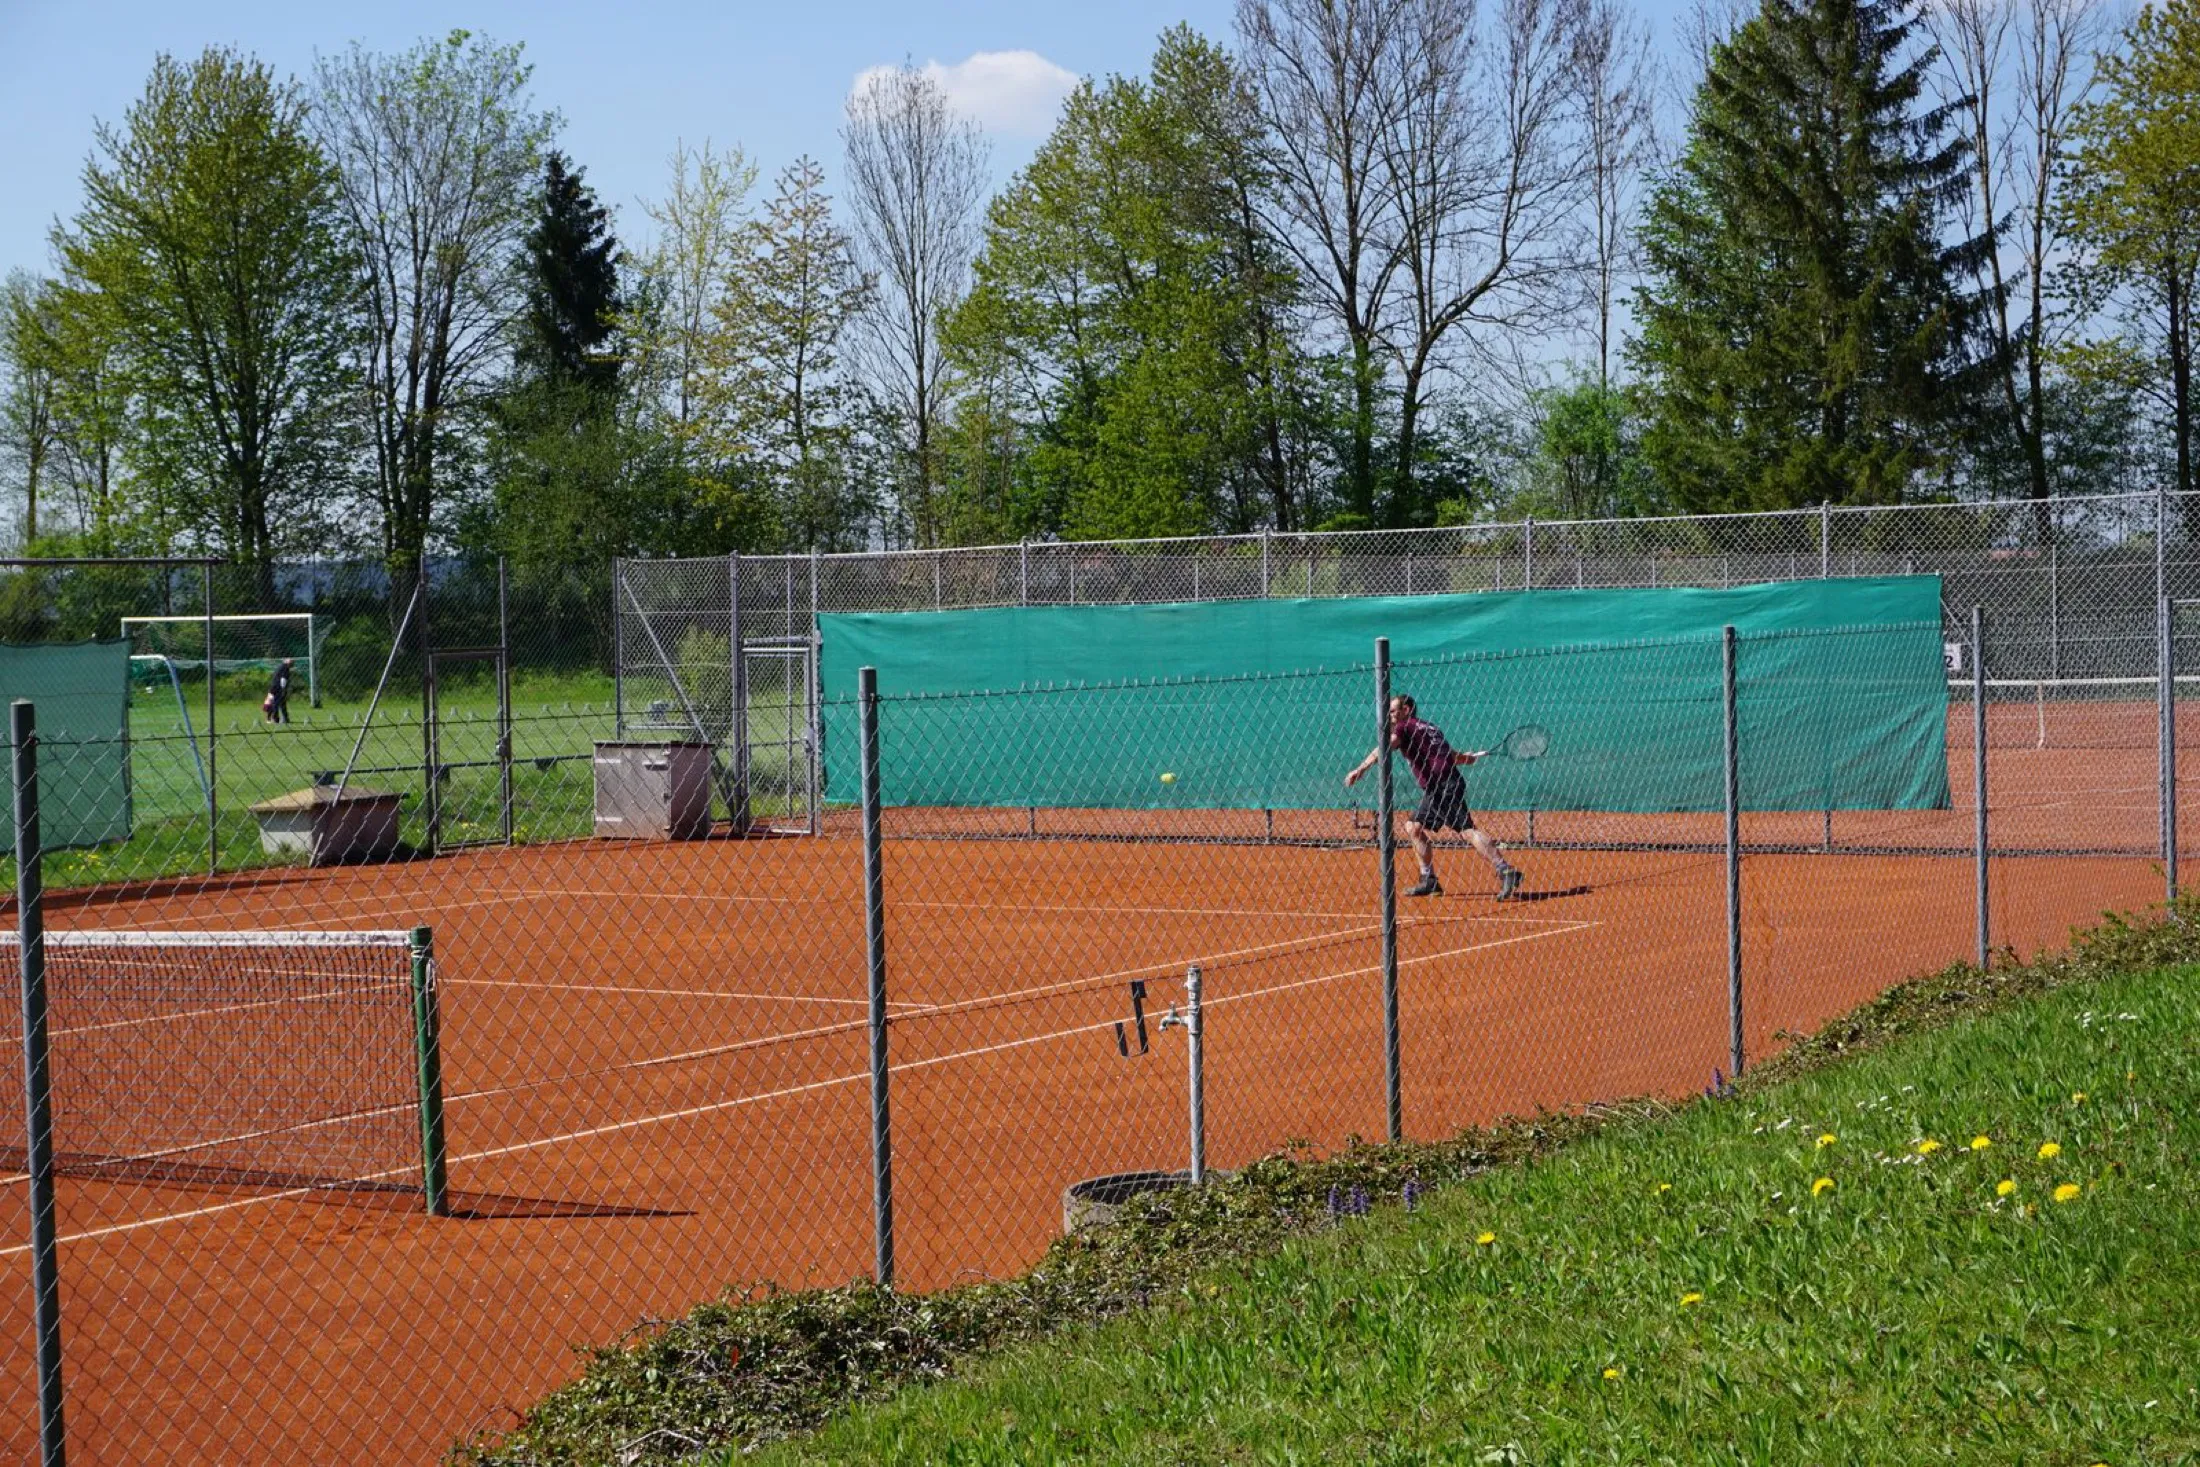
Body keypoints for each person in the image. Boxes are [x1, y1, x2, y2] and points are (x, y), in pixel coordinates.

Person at [1345, 693, 1522, 900]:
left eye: (1393, 710)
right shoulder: (1430, 728)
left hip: (1443, 785)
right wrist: (1468, 758)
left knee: (1467, 830)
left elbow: (1385, 747)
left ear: (1406, 710)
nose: (1390, 714)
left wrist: (1361, 769)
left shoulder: (1404, 726)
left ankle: (1505, 870)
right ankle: (1429, 880)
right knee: (1414, 827)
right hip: (1441, 785)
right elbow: (1452, 756)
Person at [264, 657, 295, 724]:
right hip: (278, 687)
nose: (292, 665)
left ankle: (283, 718)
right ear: (288, 663)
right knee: (276, 703)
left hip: (273, 686)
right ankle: (275, 719)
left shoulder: (280, 666)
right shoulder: (285, 668)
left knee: (278, 702)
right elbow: (283, 679)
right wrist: (283, 689)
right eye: (292, 663)